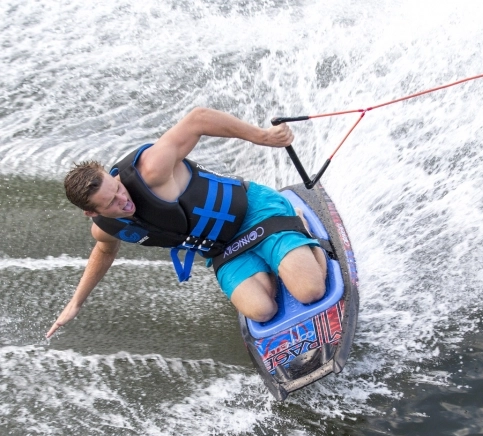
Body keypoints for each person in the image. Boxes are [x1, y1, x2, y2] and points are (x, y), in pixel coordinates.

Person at [46, 107, 327, 339]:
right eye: (110, 203)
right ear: (92, 213)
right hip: (223, 247)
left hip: (255, 213)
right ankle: (278, 259)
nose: (124, 200)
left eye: (117, 188)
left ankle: (297, 221)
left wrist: (263, 136)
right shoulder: (107, 228)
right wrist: (76, 302)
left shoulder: (151, 169)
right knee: (262, 311)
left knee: (310, 292)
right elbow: (104, 250)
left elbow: (198, 119)